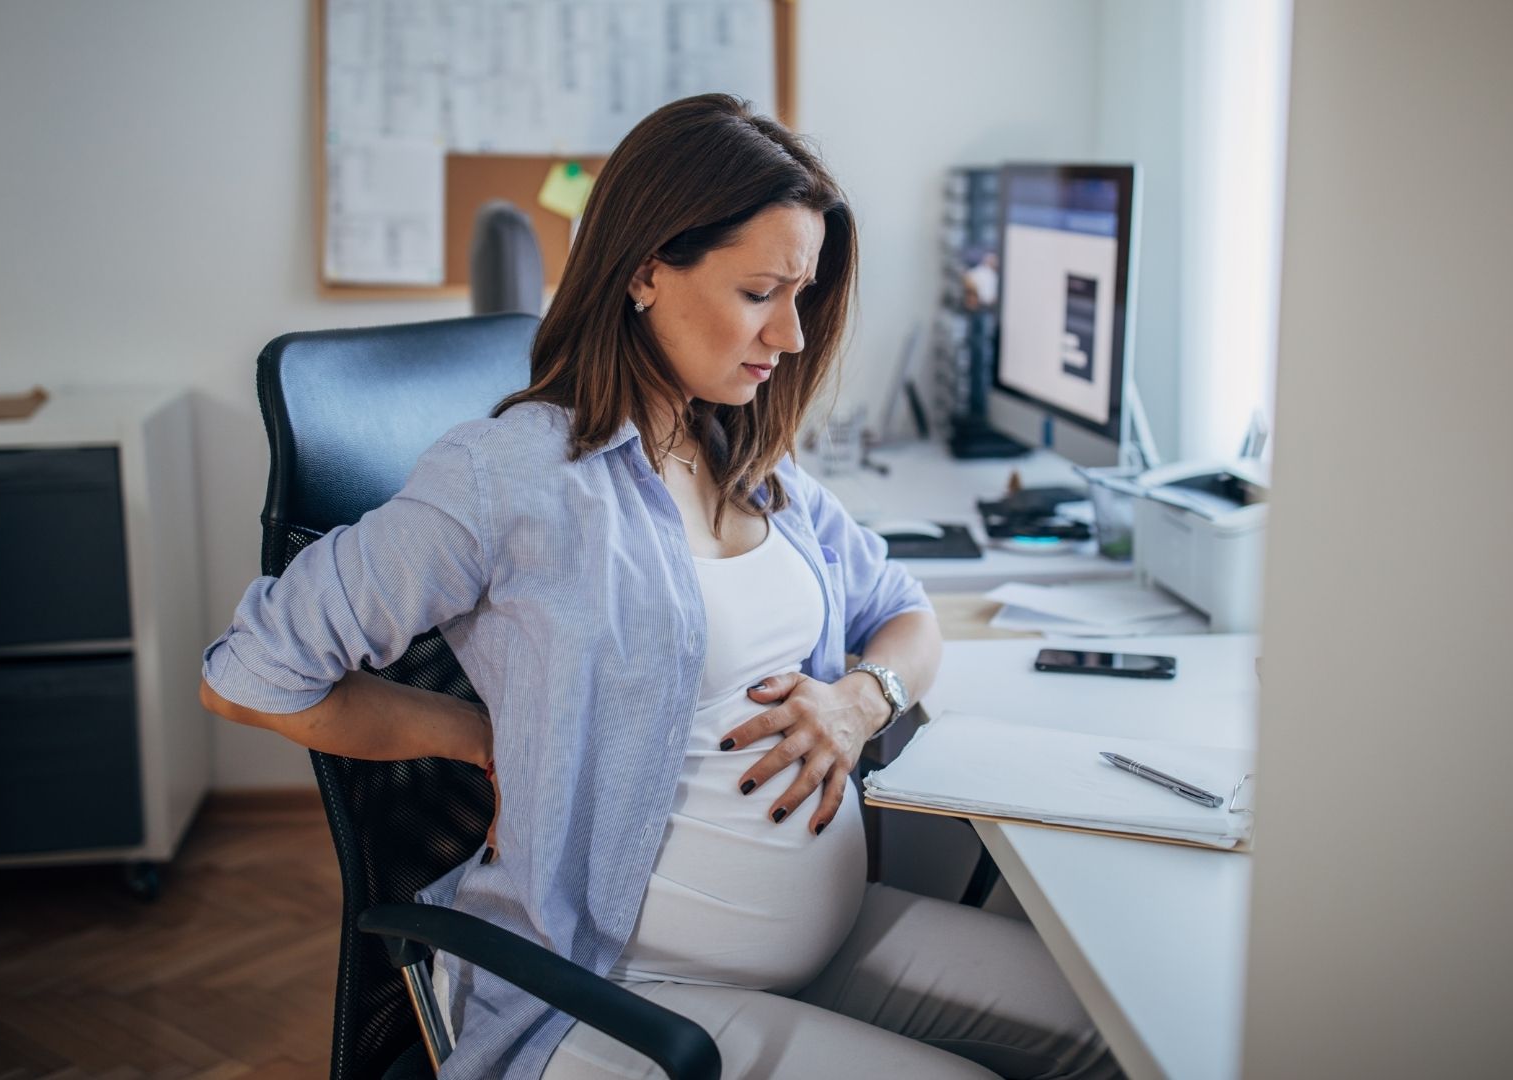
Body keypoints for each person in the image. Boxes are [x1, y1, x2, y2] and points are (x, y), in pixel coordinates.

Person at [200, 93, 1119, 1080]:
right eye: (760, 292)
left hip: (827, 941)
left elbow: (905, 613)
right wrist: (478, 735)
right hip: (620, 988)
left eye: (802, 295)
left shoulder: (749, 459)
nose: (792, 335)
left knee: (1115, 1031)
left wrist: (862, 700)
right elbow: (248, 677)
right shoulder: (510, 477)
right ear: (644, 271)